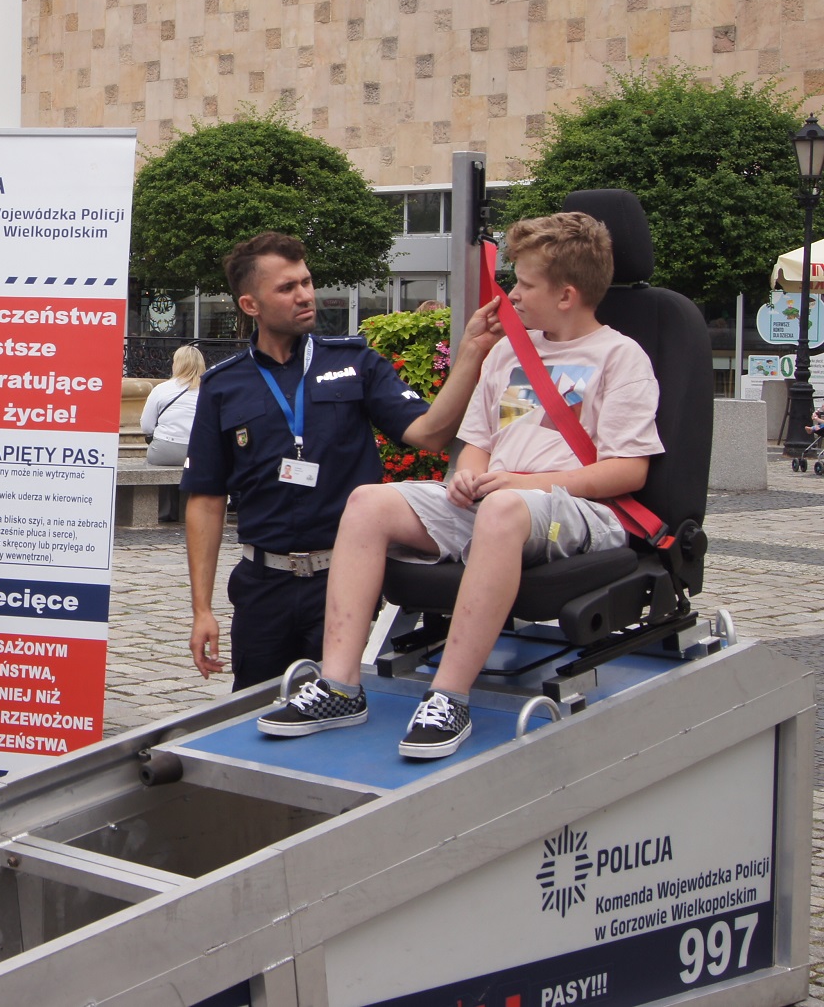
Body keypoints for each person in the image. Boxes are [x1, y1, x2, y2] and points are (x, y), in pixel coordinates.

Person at [258, 213, 661, 758]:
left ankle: (449, 696)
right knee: (368, 502)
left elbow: (628, 471)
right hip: (502, 499)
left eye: (524, 284)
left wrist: (518, 484)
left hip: (578, 511)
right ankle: (339, 686)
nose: (512, 294)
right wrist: (467, 475)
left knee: (503, 510)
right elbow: (478, 442)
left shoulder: (620, 357)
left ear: (566, 295)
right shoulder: (507, 354)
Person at [184, 232, 503, 691]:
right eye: (287, 288)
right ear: (250, 305)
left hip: (345, 582)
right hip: (262, 586)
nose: (305, 296)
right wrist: (202, 610)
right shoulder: (223, 385)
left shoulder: (355, 362)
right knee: (255, 710)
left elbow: (429, 433)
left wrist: (472, 352)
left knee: (341, 701)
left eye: (306, 282)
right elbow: (206, 499)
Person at [141, 345, 205, 467]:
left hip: (164, 450)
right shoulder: (210, 390)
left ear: (177, 365)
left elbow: (146, 426)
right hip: (199, 452)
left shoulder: (161, 389)